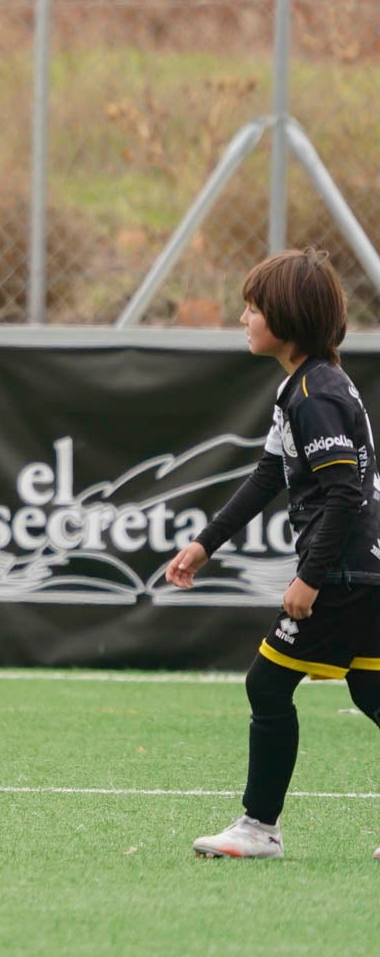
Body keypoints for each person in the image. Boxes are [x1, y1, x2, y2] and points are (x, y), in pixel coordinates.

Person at [165, 248, 380, 860]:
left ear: (285, 317)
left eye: (253, 307)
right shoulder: (303, 388)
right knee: (371, 694)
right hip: (364, 567)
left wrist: (311, 579)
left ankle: (259, 829)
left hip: (344, 571)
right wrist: (205, 545)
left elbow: (343, 492)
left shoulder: (316, 395)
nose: (242, 317)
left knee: (267, 684)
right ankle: (258, 828)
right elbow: (267, 475)